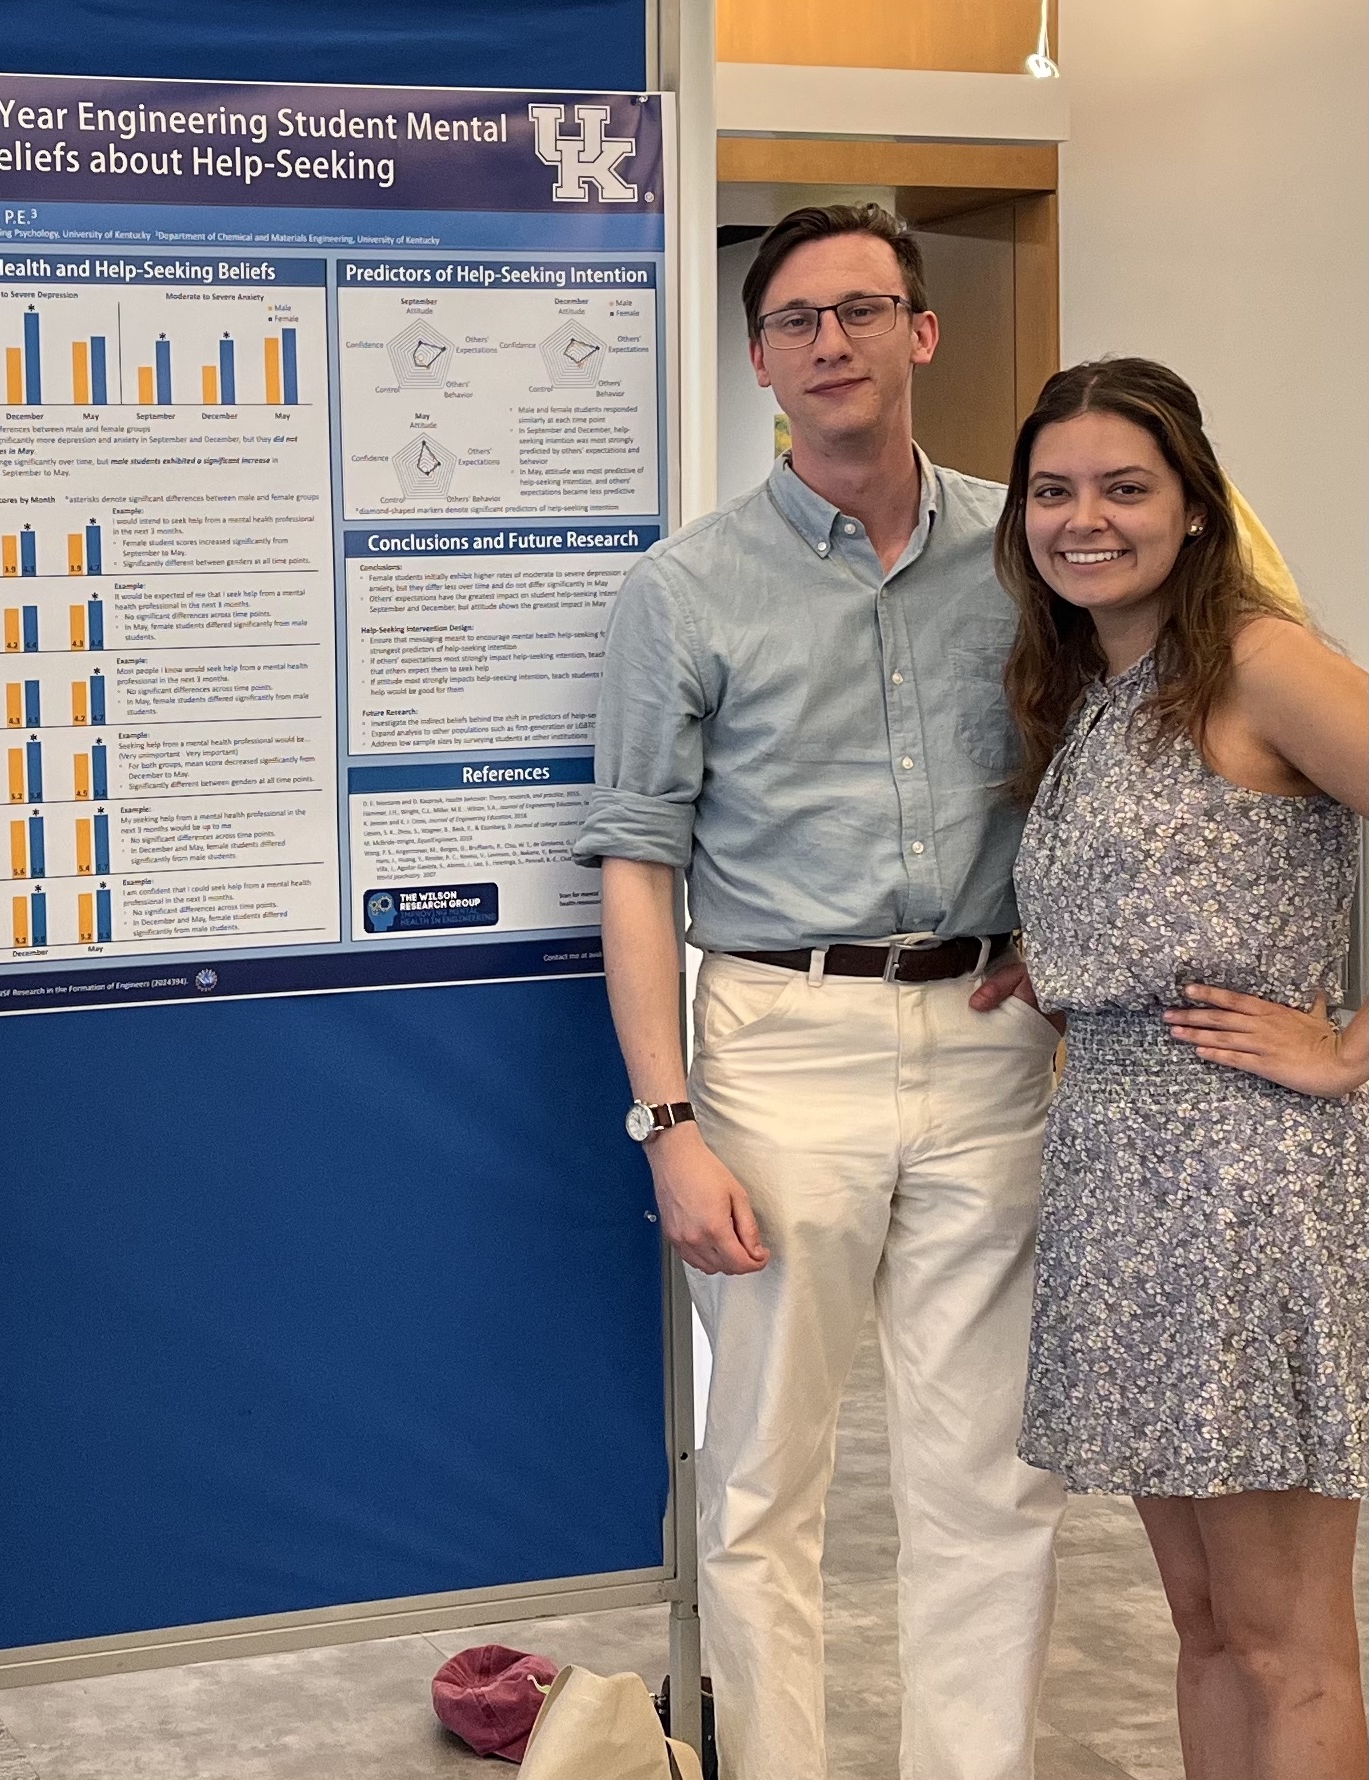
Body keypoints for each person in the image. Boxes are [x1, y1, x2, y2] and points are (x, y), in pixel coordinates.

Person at [574, 203, 1066, 1780]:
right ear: (759, 359)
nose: (831, 344)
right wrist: (666, 1122)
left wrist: (1077, 947)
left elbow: (1110, 770)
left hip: (993, 1046)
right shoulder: (686, 591)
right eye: (797, 321)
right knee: (762, 1482)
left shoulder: (1028, 552)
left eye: (862, 311)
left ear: (921, 333)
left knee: (988, 1478)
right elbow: (637, 865)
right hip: (782, 1047)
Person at [1004, 356, 1367, 1780]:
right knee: (1206, 1626)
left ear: (1195, 508)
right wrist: (1062, 956)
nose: (1082, 517)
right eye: (1052, 490)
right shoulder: (1087, 685)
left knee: (1284, 1638)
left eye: (1122, 486)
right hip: (1114, 1170)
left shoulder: (1260, 659)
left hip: (1247, 1177)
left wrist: (1347, 1051)